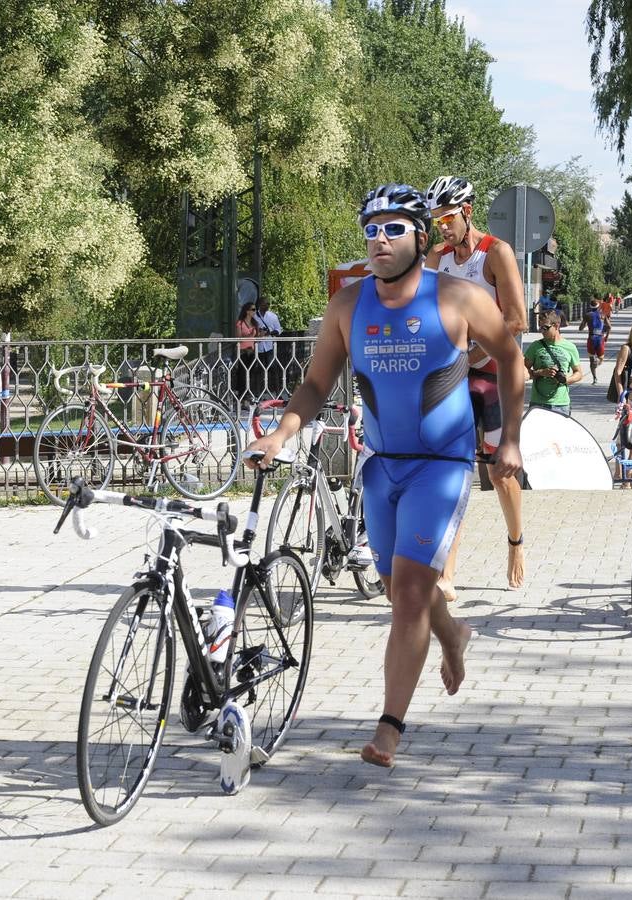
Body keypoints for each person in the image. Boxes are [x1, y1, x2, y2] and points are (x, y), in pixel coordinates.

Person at [245, 183, 523, 767]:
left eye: (393, 229)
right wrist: (281, 434)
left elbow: (509, 357)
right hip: (379, 467)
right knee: (403, 589)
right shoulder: (348, 306)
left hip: (441, 465)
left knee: (411, 593)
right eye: (371, 230)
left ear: (421, 237)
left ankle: (389, 728)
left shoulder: (460, 297)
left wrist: (512, 441)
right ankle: (453, 634)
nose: (379, 240)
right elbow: (317, 383)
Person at [424, 175, 529, 593]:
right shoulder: (437, 257)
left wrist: (473, 354)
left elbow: (518, 320)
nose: (442, 227)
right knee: (453, 471)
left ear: (467, 212)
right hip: (454, 376)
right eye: (436, 220)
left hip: (494, 372)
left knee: (502, 473)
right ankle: (447, 573)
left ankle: (516, 541)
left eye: (448, 218)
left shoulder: (496, 253)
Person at [526, 309, 583, 414]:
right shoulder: (535, 346)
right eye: (540, 327)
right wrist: (541, 372)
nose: (542, 331)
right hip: (538, 404)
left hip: (561, 405)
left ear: (556, 326)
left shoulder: (570, 347)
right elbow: (523, 371)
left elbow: (578, 373)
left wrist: (566, 380)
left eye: (545, 328)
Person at [253, 296, 283, 394]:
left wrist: (269, 333)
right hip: (258, 347)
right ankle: (258, 394)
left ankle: (278, 394)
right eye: (265, 304)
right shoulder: (254, 316)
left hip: (269, 347)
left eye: (268, 304)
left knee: (273, 370)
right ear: (260, 305)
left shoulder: (273, 316)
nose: (267, 306)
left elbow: (279, 330)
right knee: (258, 371)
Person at [233, 301, 259, 405]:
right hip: (243, 351)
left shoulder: (255, 323)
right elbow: (238, 337)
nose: (254, 311)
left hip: (252, 350)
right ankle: (242, 396)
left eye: (255, 309)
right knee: (243, 373)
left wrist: (260, 335)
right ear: (247, 311)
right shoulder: (240, 323)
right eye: (253, 309)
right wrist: (249, 336)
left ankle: (249, 394)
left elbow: (256, 338)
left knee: (251, 373)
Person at [579, 302, 610, 384]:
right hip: (600, 338)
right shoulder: (603, 314)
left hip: (591, 338)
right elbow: (609, 326)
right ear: (598, 306)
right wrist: (607, 336)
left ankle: (594, 378)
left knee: (591, 360)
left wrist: (585, 324)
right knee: (601, 358)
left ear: (590, 306)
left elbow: (580, 328)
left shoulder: (587, 315)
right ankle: (597, 362)